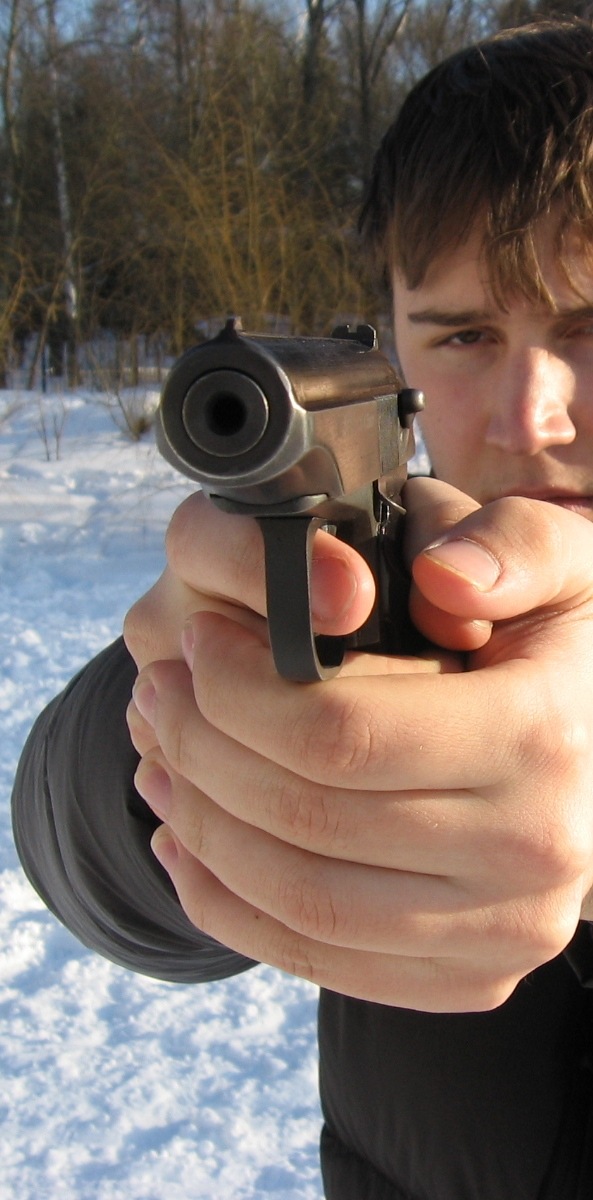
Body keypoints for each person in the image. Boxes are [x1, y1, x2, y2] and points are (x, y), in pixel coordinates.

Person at [11, 16, 593, 1199]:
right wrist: (177, 711)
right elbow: (84, 874)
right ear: (396, 351)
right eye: (464, 334)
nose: (529, 416)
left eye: (588, 328)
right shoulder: (384, 587)